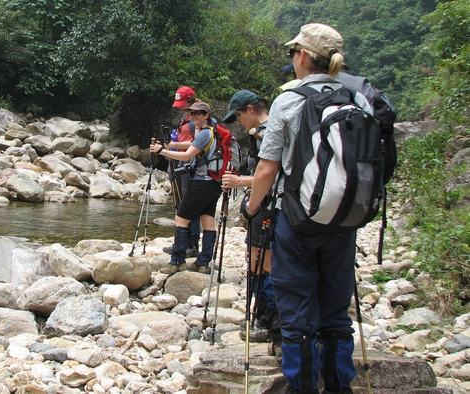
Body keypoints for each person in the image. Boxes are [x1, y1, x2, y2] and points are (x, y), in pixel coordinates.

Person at [243, 24, 373, 394]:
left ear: (302, 56)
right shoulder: (357, 97)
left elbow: (267, 168)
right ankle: (338, 386)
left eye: (292, 53)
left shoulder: (288, 100)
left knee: (297, 314)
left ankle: (300, 386)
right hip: (344, 219)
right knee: (335, 313)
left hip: (296, 220)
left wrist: (252, 208)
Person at [221, 90, 280, 349]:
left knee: (262, 262)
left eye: (238, 116)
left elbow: (271, 175)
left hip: (267, 206)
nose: (239, 122)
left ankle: (266, 319)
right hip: (269, 204)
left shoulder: (269, 133)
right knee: (258, 260)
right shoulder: (266, 132)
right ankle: (263, 316)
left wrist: (240, 183)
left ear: (251, 109)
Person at [150, 101, 222, 275]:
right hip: (213, 183)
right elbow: (192, 146)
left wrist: (162, 152)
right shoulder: (213, 131)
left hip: (201, 183)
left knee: (181, 219)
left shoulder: (205, 133)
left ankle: (177, 261)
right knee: (208, 220)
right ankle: (203, 263)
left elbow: (188, 154)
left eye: (198, 114)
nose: (194, 116)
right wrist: (172, 145)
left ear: (206, 115)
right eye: (191, 113)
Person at [163, 86, 202, 257]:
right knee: (181, 204)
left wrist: (173, 145)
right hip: (180, 164)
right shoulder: (187, 115)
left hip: (190, 166)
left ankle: (190, 245)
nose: (179, 107)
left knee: (188, 205)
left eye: (182, 103)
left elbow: (197, 143)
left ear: (190, 100)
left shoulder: (198, 117)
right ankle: (181, 242)